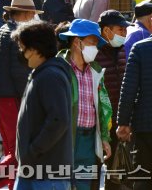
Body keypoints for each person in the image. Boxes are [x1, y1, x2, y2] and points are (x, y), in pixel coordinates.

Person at [0, 0, 41, 190]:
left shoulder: (4, 29)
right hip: (13, 96)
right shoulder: (18, 34)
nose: (33, 18)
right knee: (18, 149)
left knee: (11, 147)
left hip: (2, 95)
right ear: (23, 14)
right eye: (31, 14)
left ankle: (13, 185)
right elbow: (20, 72)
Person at [12, 21, 72, 190]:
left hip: (46, 173)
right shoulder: (42, 73)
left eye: (23, 47)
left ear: (35, 48)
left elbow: (59, 120)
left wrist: (33, 151)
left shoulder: (50, 76)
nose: (22, 52)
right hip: (33, 170)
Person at [58, 19, 113, 190]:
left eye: (97, 44)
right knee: (62, 183)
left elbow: (103, 107)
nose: (95, 48)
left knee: (84, 184)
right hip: (65, 137)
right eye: (92, 42)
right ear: (77, 42)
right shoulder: (60, 68)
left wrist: (104, 137)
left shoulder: (96, 71)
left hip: (89, 139)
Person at [117, 4, 152, 190]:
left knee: (143, 178)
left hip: (146, 126)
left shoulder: (139, 49)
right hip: (147, 125)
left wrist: (123, 122)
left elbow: (128, 89)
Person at [95, 10, 131, 190]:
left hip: (117, 120)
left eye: (125, 30)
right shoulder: (93, 52)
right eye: (120, 29)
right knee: (92, 171)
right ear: (106, 31)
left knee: (116, 175)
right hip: (97, 122)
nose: (124, 34)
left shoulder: (122, 50)